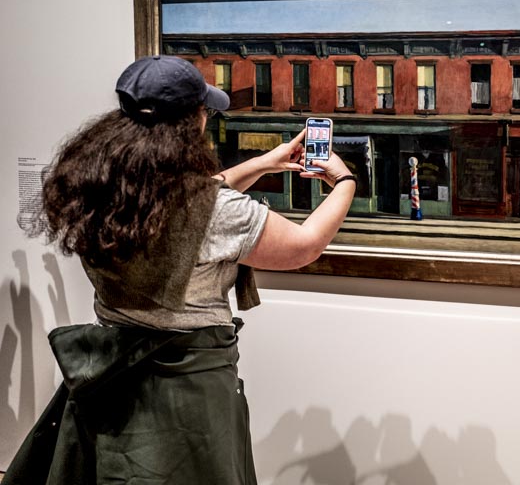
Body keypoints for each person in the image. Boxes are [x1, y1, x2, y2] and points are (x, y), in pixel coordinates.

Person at [3, 55, 356, 485]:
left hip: (111, 377)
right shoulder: (210, 210)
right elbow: (304, 245)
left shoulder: (101, 189)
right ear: (193, 122)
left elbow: (201, 196)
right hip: (186, 389)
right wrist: (345, 181)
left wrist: (267, 162)